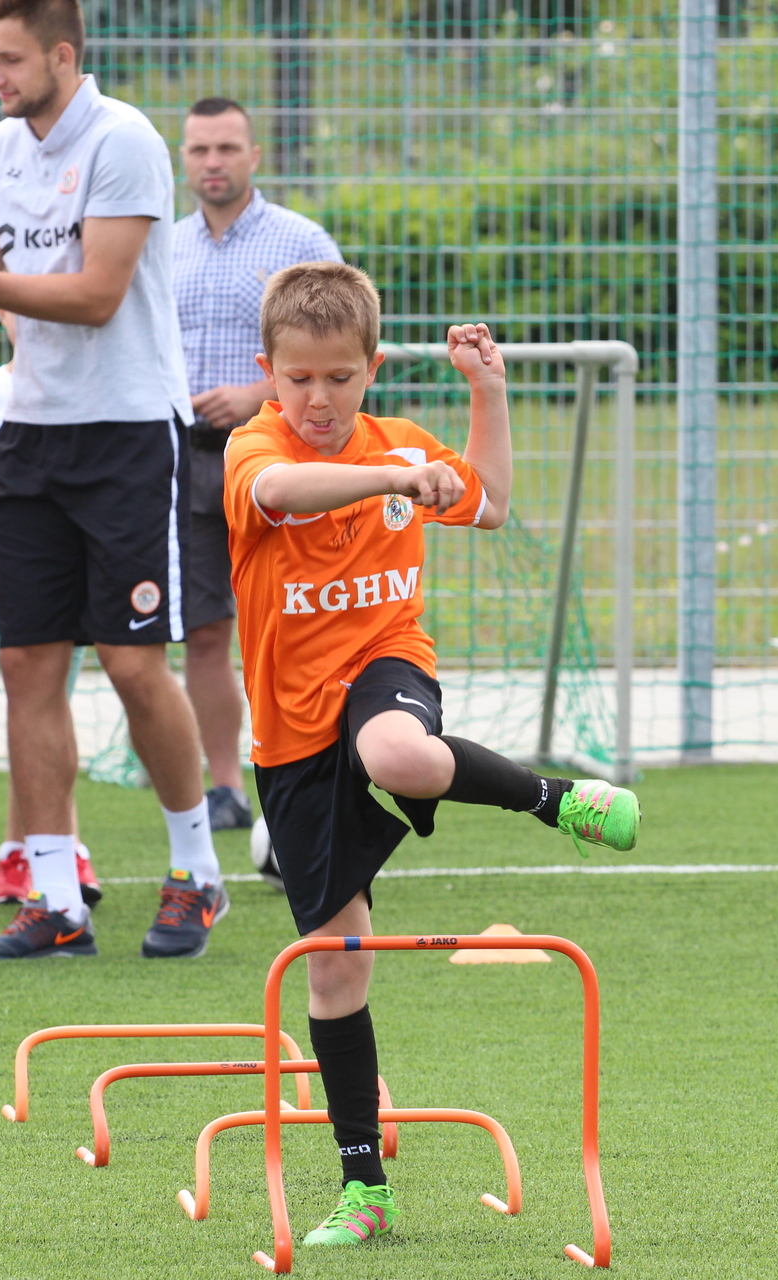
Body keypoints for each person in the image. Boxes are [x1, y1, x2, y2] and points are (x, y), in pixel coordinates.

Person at [225, 262, 640, 1248]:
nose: (318, 399)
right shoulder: (259, 448)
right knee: (334, 972)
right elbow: (284, 489)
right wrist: (395, 477)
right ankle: (364, 1185)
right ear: (269, 374)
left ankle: (554, 800)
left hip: (384, 665)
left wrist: (485, 391)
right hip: (288, 734)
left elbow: (488, 502)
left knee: (400, 751)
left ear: (371, 367)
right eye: (299, 380)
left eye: (339, 377)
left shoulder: (403, 445)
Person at [0, 0, 219, 962]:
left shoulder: (125, 140)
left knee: (131, 665)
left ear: (61, 53)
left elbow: (95, 293)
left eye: (8, 58)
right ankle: (52, 897)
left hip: (127, 432)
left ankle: (195, 873)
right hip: (30, 434)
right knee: (29, 667)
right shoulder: (0, 146)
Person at [173, 95, 343, 831]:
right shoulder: (161, 246)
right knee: (206, 629)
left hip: (281, 457)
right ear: (184, 159)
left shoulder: (301, 241)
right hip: (180, 458)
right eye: (200, 150)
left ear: (255, 156)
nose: (213, 162)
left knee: (294, 624)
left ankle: (309, 770)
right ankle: (223, 789)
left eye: (227, 148)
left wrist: (255, 394)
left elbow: (341, 351)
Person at [0, 312, 97, 908]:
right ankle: (30, 852)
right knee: (34, 705)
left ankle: (49, 849)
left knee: (51, 708)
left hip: (74, 573)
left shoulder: (89, 388)